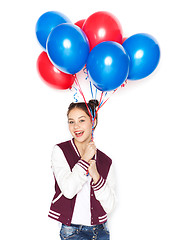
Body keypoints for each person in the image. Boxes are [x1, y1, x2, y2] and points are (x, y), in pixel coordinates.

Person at [48, 99, 116, 240]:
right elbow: (68, 190)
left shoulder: (106, 161)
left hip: (101, 231)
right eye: (71, 121)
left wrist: (96, 176)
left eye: (81, 120)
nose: (76, 126)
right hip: (72, 231)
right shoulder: (60, 151)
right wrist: (84, 160)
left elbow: (109, 206)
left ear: (94, 122)